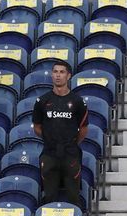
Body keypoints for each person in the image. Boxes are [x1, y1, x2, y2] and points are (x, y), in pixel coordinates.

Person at [33, 62, 88, 206]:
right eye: (55, 72)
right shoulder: (42, 101)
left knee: (73, 197)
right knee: (49, 197)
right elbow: (37, 127)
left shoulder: (78, 102)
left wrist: (72, 143)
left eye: (62, 72)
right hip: (49, 154)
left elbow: (83, 129)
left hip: (71, 154)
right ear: (52, 75)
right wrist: (49, 139)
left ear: (68, 76)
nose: (58, 75)